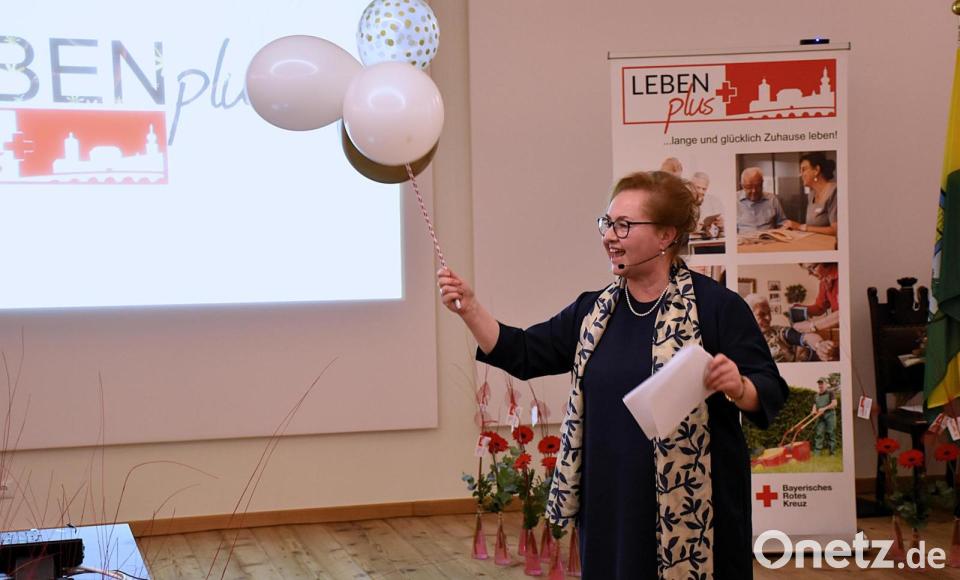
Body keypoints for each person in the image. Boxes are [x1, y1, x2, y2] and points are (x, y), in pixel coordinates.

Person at [437, 171, 788, 579]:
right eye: (606, 223)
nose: (608, 236)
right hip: (610, 505)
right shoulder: (593, 312)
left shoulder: (716, 307)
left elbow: (769, 388)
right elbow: (524, 354)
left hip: (696, 513)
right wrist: (471, 309)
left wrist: (739, 387)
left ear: (666, 236)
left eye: (624, 225)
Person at [744, 293, 837, 362]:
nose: (769, 318)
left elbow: (804, 337)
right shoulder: (741, 340)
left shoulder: (778, 332)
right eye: (762, 314)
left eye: (769, 313)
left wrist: (819, 345)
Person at [783, 152, 838, 236]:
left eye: (804, 169)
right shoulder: (811, 195)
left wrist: (801, 227)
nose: (800, 174)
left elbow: (836, 230)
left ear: (816, 170)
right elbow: (812, 227)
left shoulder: (834, 191)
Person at [793, 263, 840, 333]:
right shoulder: (824, 282)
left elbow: (845, 313)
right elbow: (819, 307)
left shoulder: (845, 275)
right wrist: (801, 309)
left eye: (812, 268)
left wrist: (812, 326)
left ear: (825, 262)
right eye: (808, 270)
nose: (809, 273)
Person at [736, 167, 786, 232]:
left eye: (758, 186)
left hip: (768, 238)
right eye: (749, 187)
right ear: (742, 186)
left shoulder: (772, 199)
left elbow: (782, 223)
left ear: (762, 183)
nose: (754, 191)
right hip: (744, 238)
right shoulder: (734, 200)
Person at [691, 171, 724, 238]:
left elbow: (723, 229)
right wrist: (692, 228)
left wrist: (722, 225)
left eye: (704, 189)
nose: (701, 191)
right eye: (698, 187)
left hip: (710, 239)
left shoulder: (714, 201)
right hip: (691, 240)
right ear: (691, 186)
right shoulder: (684, 202)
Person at [811, 377, 838, 455]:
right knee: (818, 433)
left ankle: (832, 453)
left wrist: (824, 408)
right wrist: (813, 411)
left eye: (822, 383)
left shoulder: (830, 392)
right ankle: (817, 453)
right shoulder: (816, 395)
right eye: (819, 384)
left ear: (826, 384)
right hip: (820, 416)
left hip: (830, 415)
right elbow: (814, 405)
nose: (820, 385)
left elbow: (834, 404)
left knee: (831, 433)